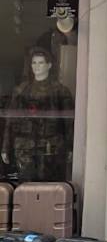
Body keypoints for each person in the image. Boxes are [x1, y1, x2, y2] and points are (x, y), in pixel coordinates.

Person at [1, 47, 74, 182]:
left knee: (50, 187)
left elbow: (68, 123)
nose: (37, 66)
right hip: (25, 148)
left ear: (49, 65)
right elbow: (10, 120)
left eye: (41, 62)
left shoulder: (60, 91)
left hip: (51, 148)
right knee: (26, 187)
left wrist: (70, 147)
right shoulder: (21, 90)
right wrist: (5, 147)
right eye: (34, 63)